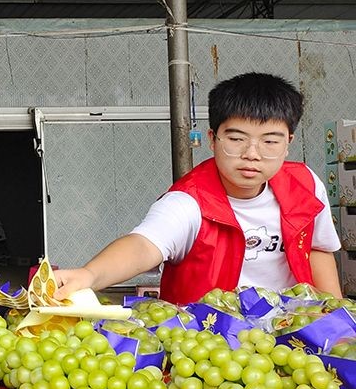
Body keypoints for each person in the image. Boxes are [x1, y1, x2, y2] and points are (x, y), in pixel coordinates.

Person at [56, 72, 342, 306]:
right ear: (213, 139)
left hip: (289, 335)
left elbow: (317, 249)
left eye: (269, 141)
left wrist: (338, 320)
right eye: (237, 139)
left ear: (288, 142)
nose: (252, 154)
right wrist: (89, 274)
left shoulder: (305, 184)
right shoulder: (187, 201)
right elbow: (144, 245)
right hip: (208, 341)